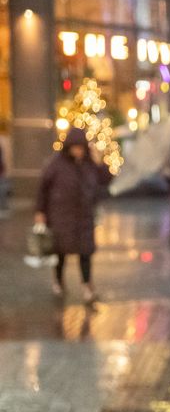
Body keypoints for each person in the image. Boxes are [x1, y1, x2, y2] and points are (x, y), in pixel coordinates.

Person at [35, 126, 113, 303]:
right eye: (75, 147)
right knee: (60, 252)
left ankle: (87, 286)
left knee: (85, 253)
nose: (78, 151)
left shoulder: (89, 164)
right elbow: (43, 189)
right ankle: (58, 281)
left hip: (84, 217)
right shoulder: (56, 165)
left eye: (81, 147)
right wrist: (40, 211)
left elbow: (105, 179)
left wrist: (100, 162)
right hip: (61, 217)